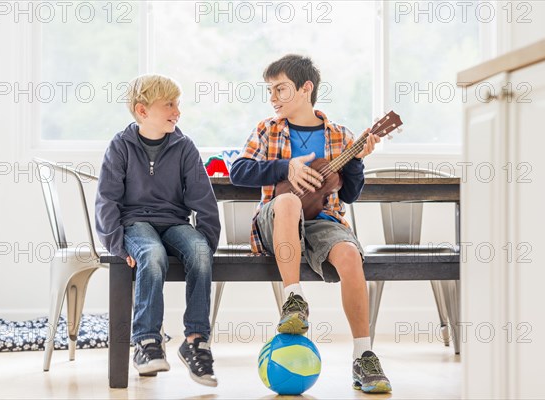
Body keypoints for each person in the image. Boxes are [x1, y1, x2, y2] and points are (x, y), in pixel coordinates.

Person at [230, 55, 391, 393]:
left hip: (322, 219)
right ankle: (294, 301)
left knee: (349, 254)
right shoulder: (267, 129)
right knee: (288, 200)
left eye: (280, 89)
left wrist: (356, 161)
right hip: (276, 217)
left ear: (306, 89)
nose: (273, 98)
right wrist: (284, 168)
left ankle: (363, 356)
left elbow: (349, 193)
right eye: (270, 90)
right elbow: (238, 171)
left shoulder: (339, 135)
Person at [95, 74, 221, 387]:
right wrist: (118, 246)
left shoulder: (184, 146)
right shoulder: (120, 146)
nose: (177, 111)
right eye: (169, 104)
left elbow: (203, 198)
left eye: (177, 104)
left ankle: (195, 341)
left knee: (201, 253)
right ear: (142, 111)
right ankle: (146, 341)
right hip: (135, 222)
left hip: (175, 222)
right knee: (152, 255)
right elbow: (106, 200)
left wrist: (207, 242)